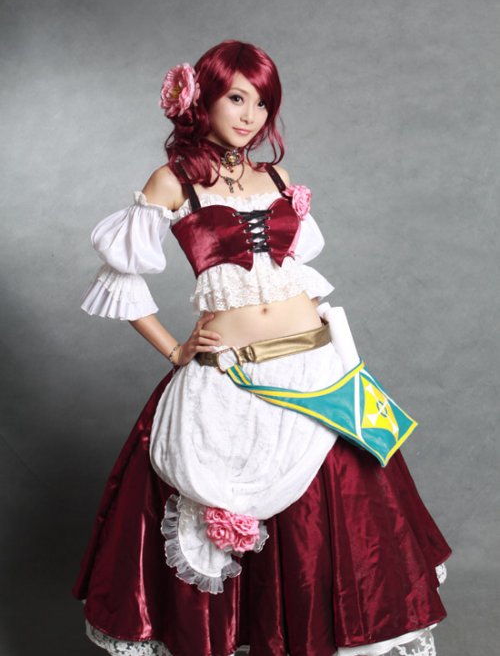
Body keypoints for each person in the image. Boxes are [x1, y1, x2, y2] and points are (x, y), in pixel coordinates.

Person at [73, 40, 451, 656]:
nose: (250, 116)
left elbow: (290, 267)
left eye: (262, 103)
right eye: (236, 98)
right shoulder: (172, 182)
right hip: (231, 377)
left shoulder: (277, 177)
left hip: (315, 369)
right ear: (202, 99)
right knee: (227, 526)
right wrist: (174, 349)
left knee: (329, 527)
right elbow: (120, 278)